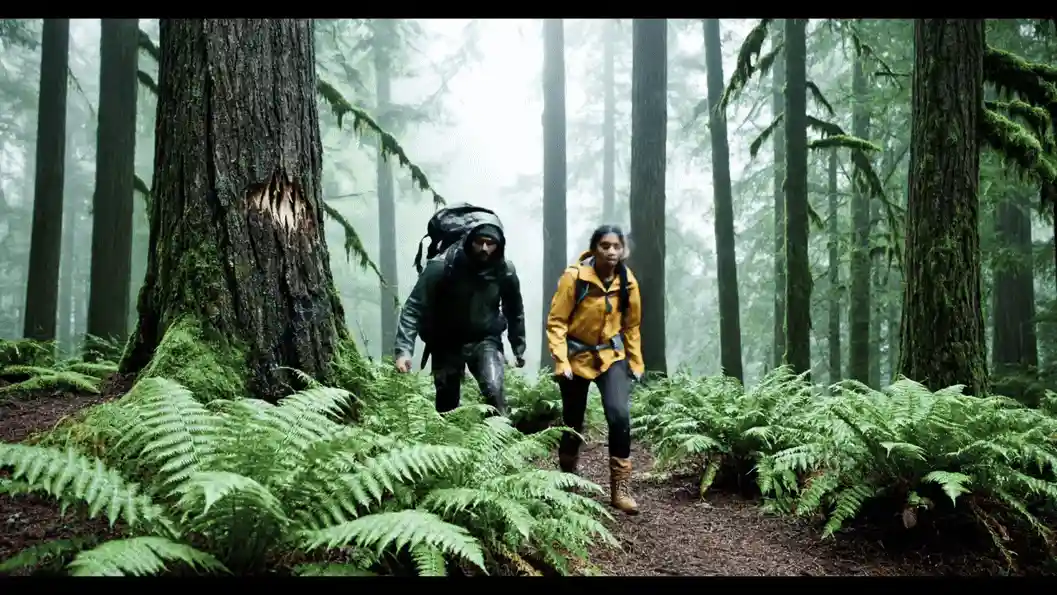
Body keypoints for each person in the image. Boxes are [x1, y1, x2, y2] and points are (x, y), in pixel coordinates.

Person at [545, 224, 643, 515]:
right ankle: (568, 477)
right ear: (595, 248)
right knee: (573, 420)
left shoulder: (627, 281)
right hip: (576, 357)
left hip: (611, 356)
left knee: (619, 415)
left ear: (623, 249)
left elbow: (631, 326)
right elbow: (557, 322)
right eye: (605, 246)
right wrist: (561, 361)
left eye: (616, 246)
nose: (611, 252)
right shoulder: (574, 278)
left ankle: (620, 489)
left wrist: (635, 361)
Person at [393, 218, 526, 416]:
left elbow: (514, 309)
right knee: (447, 405)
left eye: (490, 243)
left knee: (494, 390)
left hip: (485, 338)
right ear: (469, 240)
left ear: (498, 246)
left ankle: (502, 440)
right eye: (479, 242)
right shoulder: (441, 266)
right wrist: (403, 351)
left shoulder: (504, 270)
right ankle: (450, 445)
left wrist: (518, 347)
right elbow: (414, 307)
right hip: (445, 341)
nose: (484, 248)